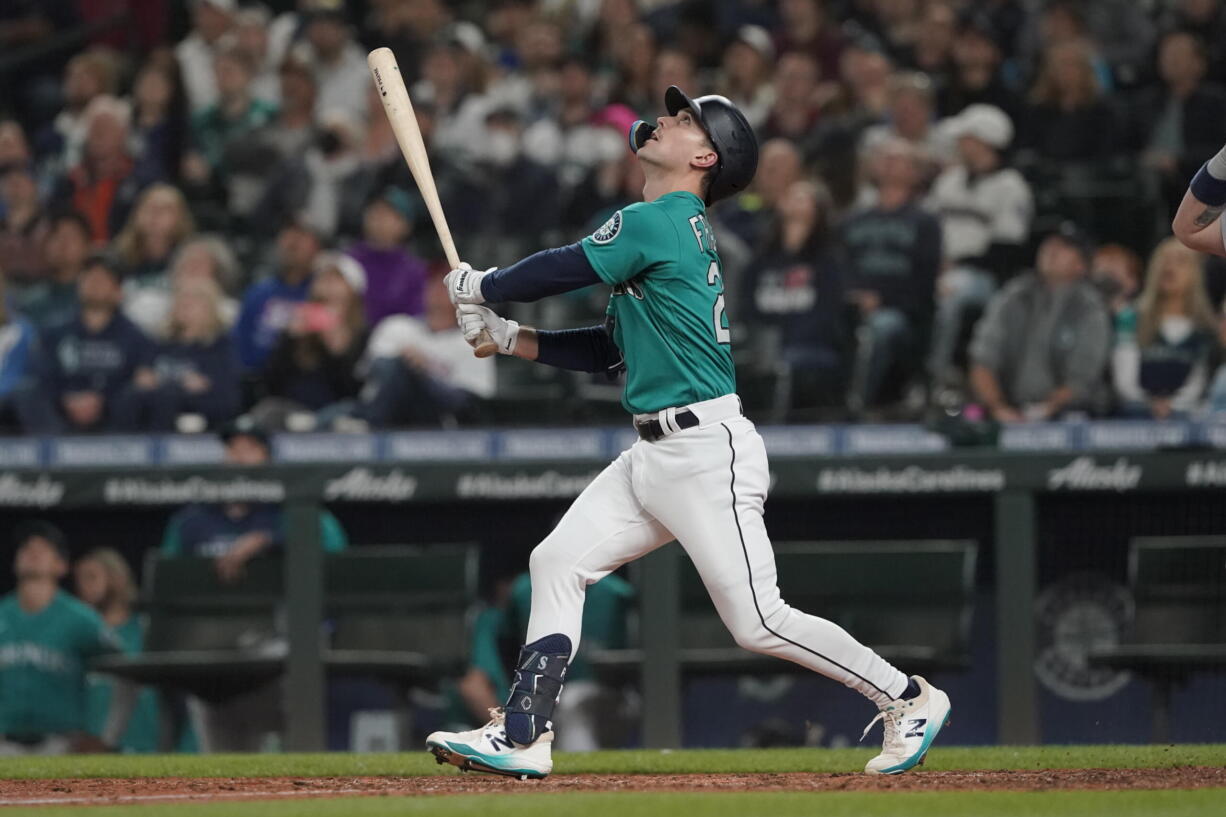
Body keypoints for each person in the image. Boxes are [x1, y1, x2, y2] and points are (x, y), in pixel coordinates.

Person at [427, 86, 951, 779]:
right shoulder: (666, 228)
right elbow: (608, 352)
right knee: (557, 561)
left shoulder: (664, 216)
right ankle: (523, 732)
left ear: (705, 155)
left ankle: (907, 696)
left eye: (684, 122)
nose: (664, 121)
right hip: (654, 451)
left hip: (706, 450)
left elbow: (566, 265)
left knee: (758, 621)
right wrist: (509, 335)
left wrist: (483, 284)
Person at [0, 522, 129, 755]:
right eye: (26, 548)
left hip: (62, 744)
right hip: (5, 743)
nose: (33, 551)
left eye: (43, 548)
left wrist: (105, 733)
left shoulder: (80, 618)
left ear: (61, 565)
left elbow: (126, 670)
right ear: (15, 562)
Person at [926, 104, 1033, 384]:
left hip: (983, 277)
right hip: (937, 268)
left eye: (966, 139)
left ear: (986, 142)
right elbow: (925, 230)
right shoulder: (948, 182)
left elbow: (1006, 250)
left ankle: (936, 376)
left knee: (951, 292)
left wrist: (956, 265)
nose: (959, 145)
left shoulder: (1010, 186)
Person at [968, 225, 1112, 422]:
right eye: (1049, 243)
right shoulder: (1015, 295)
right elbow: (983, 359)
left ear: (1082, 265)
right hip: (1008, 411)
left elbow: (1083, 379)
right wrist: (997, 407)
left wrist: (1044, 410)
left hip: (1070, 416)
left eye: (1064, 247)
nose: (1051, 249)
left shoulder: (1090, 307)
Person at [841, 139, 941, 414]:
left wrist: (882, 299)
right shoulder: (853, 220)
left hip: (900, 312)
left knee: (882, 327)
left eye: (898, 159)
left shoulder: (924, 222)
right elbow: (839, 268)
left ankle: (859, 405)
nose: (888, 163)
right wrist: (852, 294)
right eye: (884, 157)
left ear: (915, 173)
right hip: (851, 306)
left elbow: (925, 281)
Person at [18, 253, 154, 433]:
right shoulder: (53, 333)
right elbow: (41, 374)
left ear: (118, 292)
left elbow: (141, 380)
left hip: (112, 416)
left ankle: (118, 455)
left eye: (103, 280)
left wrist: (102, 398)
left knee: (139, 394)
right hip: (58, 416)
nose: (94, 284)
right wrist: (66, 398)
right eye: (89, 278)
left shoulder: (136, 338)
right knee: (27, 391)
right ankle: (50, 456)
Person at [356, 275, 495, 428]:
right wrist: (405, 362)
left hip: (434, 421)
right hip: (382, 412)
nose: (437, 292)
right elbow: (371, 374)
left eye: (447, 288)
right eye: (433, 285)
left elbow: (467, 403)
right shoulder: (397, 326)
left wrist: (423, 371)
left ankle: (368, 427)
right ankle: (366, 427)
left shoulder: (474, 341)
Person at [257, 251, 368, 426]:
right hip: (294, 413)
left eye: (336, 279)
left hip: (341, 415)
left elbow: (358, 393)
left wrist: (337, 349)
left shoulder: (364, 335)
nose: (327, 286)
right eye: (323, 279)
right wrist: (290, 340)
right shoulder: (298, 328)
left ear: (353, 292)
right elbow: (271, 386)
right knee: (268, 411)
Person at [115, 277, 241, 431]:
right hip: (150, 412)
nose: (185, 305)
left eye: (194, 301)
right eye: (181, 300)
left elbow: (227, 399)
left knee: (167, 397)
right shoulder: (160, 343)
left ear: (210, 307)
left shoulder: (220, 347)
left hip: (197, 421)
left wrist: (180, 388)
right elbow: (143, 377)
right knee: (130, 397)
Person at [1113, 238, 1219, 419]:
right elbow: (1124, 379)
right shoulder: (1129, 318)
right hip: (1135, 415)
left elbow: (1199, 382)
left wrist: (1174, 405)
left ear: (1195, 273)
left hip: (1187, 418)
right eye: (1164, 260)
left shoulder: (1205, 328)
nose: (1169, 267)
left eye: (1180, 261)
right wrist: (1151, 404)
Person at [74, 549, 161, 754]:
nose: (83, 586)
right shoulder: (80, 634)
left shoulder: (147, 630)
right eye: (79, 579)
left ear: (117, 578)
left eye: (91, 577)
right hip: (91, 748)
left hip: (145, 746)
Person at [233, 216, 322, 371]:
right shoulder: (258, 293)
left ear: (317, 247)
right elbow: (239, 347)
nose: (292, 242)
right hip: (257, 381)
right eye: (287, 235)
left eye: (301, 236)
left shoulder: (322, 293)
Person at [346, 188, 427, 326]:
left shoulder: (415, 271)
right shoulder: (348, 260)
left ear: (405, 225)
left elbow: (417, 319)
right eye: (375, 210)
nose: (379, 218)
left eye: (389, 214)